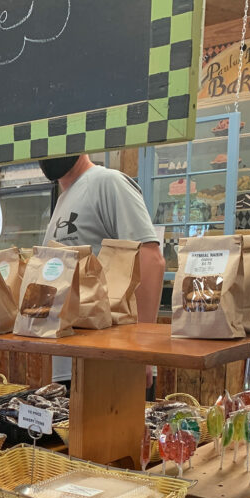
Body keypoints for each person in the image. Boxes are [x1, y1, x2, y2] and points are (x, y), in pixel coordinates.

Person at [38, 154, 165, 388]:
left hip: (115, 362)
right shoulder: (65, 197)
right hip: (71, 363)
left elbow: (150, 259)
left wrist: (143, 350)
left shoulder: (107, 182)